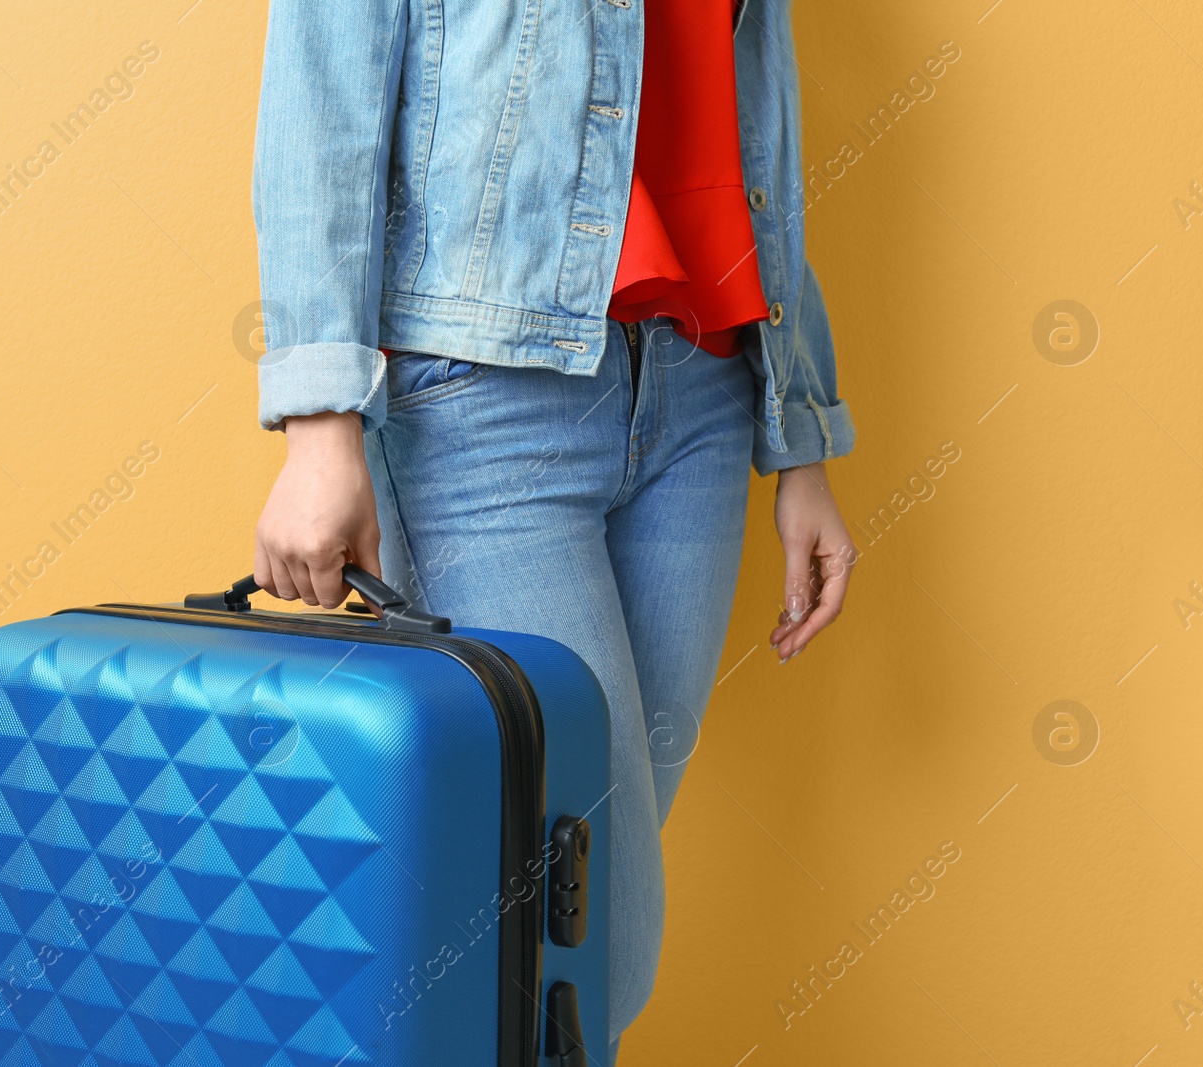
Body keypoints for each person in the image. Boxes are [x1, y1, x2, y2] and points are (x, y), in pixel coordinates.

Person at [249, 0, 856, 1059]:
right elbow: (323, 97)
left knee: (563, 908)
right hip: (481, 401)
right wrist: (318, 422)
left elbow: (756, 122)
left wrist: (795, 434)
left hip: (701, 393)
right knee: (594, 926)